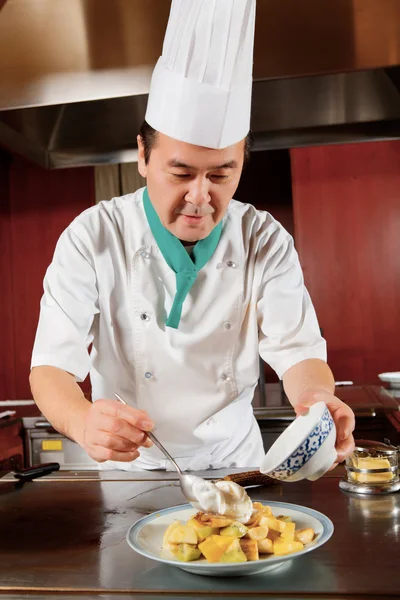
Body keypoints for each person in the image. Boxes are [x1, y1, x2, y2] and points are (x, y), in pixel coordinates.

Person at [30, 0, 355, 472]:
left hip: (236, 468)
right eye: (180, 173)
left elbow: (299, 351)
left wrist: (318, 398)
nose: (200, 198)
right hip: (129, 474)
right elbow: (51, 367)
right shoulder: (93, 236)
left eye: (222, 174)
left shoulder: (263, 238)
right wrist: (83, 422)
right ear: (142, 155)